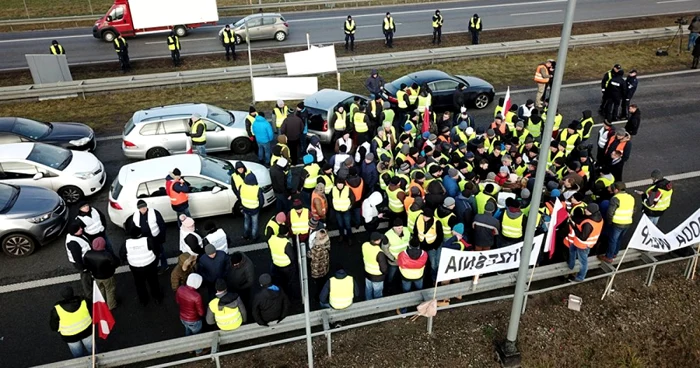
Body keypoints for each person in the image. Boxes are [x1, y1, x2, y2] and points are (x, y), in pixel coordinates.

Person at [120, 223, 163, 305]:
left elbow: (122, 255)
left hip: (135, 267)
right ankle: (157, 298)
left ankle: (143, 300)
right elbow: (157, 250)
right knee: (153, 282)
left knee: (139, 284)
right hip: (150, 265)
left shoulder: (127, 243)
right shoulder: (147, 240)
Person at [50, 286, 93, 358]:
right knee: (92, 350)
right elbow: (93, 312)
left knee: (78, 355)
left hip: (70, 336)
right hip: (87, 331)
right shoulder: (84, 302)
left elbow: (53, 326)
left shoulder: (57, 309)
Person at [565, 203, 603, 282]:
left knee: (583, 261)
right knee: (572, 251)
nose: (585, 210)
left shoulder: (588, 224)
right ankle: (571, 265)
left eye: (587, 210)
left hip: (583, 245)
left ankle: (580, 277)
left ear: (591, 212)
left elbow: (583, 237)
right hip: (582, 243)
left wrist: (574, 228)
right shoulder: (599, 219)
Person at [600, 182, 635, 263]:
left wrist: (609, 222)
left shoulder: (615, 198)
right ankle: (615, 253)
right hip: (628, 221)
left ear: (616, 190)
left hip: (618, 223)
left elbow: (610, 213)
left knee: (613, 240)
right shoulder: (631, 197)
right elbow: (634, 210)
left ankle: (609, 257)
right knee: (619, 238)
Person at [132, 200, 168, 273]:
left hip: (155, 237)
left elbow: (162, 225)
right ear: (138, 209)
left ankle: (164, 266)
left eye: (144, 206)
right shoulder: (135, 215)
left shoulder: (154, 212)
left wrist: (162, 237)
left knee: (160, 252)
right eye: (141, 207)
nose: (143, 208)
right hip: (144, 239)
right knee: (149, 253)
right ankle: (154, 266)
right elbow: (134, 227)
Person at [83, 237, 119, 310]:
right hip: (107, 276)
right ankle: (111, 305)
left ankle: (102, 303)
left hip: (96, 276)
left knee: (100, 289)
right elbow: (115, 263)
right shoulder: (106, 255)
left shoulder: (88, 254)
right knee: (110, 290)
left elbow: (86, 264)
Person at [411, 208, 444, 284]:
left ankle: (434, 278)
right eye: (424, 216)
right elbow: (415, 230)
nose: (425, 218)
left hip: (431, 247)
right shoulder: (419, 218)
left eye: (427, 217)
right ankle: (425, 276)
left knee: (433, 264)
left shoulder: (437, 222)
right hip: (422, 245)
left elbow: (440, 236)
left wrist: (434, 247)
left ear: (431, 217)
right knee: (423, 263)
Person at [175, 273, 206, 355]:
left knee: (188, 331)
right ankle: (199, 351)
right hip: (194, 320)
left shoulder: (180, 289)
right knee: (197, 335)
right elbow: (201, 312)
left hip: (183, 317)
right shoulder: (197, 296)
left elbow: (178, 301)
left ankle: (189, 348)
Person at [267, 225, 299, 300]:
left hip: (276, 265)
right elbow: (292, 257)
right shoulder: (286, 243)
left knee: (280, 282)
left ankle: (281, 295)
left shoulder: (271, 239)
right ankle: (291, 297)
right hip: (287, 266)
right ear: (287, 233)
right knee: (290, 282)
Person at [396, 244, 428, 314]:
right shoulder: (424, 254)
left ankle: (403, 311)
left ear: (409, 246)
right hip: (418, 275)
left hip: (406, 276)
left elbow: (399, 262)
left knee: (406, 292)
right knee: (420, 291)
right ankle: (421, 309)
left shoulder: (402, 254)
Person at [64, 222, 92, 299]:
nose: (81, 229)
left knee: (87, 275)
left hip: (85, 260)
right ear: (74, 232)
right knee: (85, 277)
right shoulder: (73, 243)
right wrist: (83, 268)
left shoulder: (75, 235)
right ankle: (89, 294)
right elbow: (77, 258)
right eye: (79, 229)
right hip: (82, 263)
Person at [362, 232, 389, 300]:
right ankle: (377, 306)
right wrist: (386, 273)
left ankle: (368, 302)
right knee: (377, 292)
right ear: (378, 241)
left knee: (368, 290)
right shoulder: (379, 253)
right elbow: (384, 269)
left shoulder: (364, 245)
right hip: (377, 277)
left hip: (367, 273)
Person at [308, 223, 330, 302]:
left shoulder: (316, 249)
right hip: (325, 267)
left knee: (319, 286)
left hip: (317, 270)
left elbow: (310, 255)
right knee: (324, 283)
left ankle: (319, 298)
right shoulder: (326, 243)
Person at [240, 173, 264, 242]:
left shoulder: (242, 186)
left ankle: (245, 235)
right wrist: (259, 207)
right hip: (254, 209)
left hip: (245, 207)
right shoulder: (257, 189)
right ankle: (254, 237)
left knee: (246, 221)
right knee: (254, 223)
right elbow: (261, 201)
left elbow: (239, 195)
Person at [331, 179, 356, 245]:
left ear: (344, 184)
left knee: (348, 225)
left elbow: (353, 198)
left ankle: (349, 238)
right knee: (340, 225)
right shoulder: (333, 189)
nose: (339, 185)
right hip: (337, 211)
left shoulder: (348, 189)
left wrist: (350, 206)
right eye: (338, 183)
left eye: (341, 183)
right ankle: (341, 235)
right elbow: (330, 198)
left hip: (346, 211)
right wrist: (333, 206)